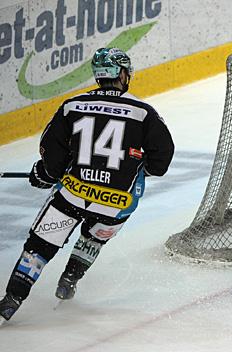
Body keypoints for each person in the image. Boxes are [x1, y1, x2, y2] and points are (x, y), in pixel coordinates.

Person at [0, 47, 174, 323]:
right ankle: (69, 281)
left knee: (40, 246)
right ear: (123, 74)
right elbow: (161, 159)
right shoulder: (143, 112)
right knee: (93, 237)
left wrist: (44, 174)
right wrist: (140, 167)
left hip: (71, 195)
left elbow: (51, 152)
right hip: (116, 203)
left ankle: (11, 300)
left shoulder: (72, 106)